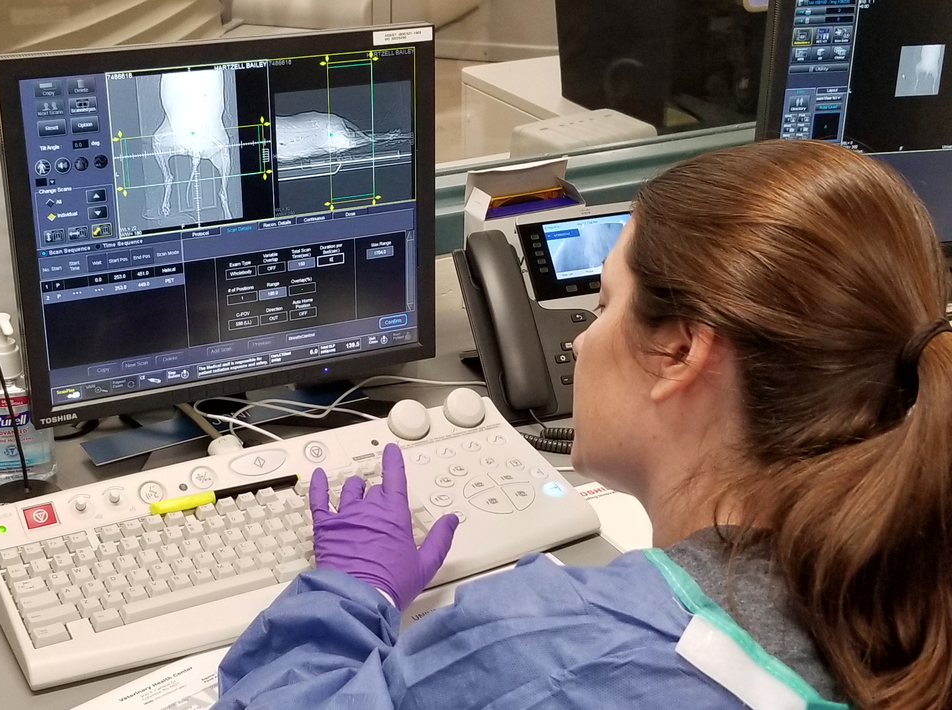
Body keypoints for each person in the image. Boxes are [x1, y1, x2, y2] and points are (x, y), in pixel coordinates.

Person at [213, 140, 952, 710]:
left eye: (602, 306)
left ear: (681, 352)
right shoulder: (913, 580)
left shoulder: (560, 646)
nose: (577, 343)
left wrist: (349, 594)